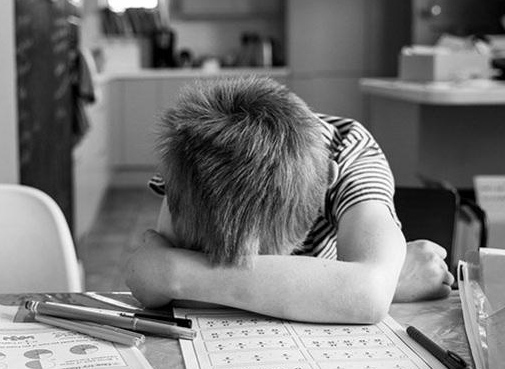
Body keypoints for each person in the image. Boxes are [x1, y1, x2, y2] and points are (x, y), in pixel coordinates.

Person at [125, 75, 452, 324]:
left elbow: (368, 293)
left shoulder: (349, 152)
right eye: (212, 256)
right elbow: (158, 296)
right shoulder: (190, 163)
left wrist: (171, 272)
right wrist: (390, 281)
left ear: (327, 181)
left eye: (265, 258)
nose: (251, 264)